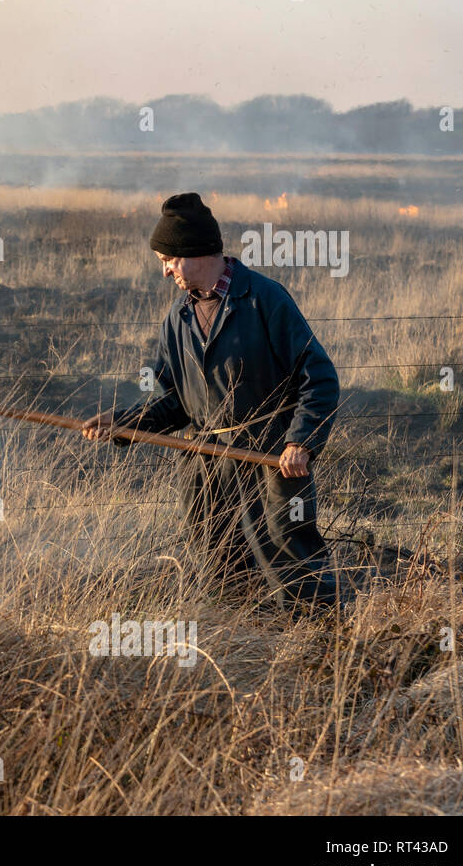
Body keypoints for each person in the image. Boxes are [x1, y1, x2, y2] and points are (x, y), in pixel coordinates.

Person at [82, 192, 344, 611]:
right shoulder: (177, 319)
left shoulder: (264, 300)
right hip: (205, 461)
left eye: (168, 259)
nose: (165, 271)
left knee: (289, 554)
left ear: (194, 252)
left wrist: (301, 441)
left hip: (271, 455)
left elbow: (320, 377)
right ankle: (243, 646)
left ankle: (322, 644)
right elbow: (174, 403)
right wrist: (124, 423)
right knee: (218, 560)